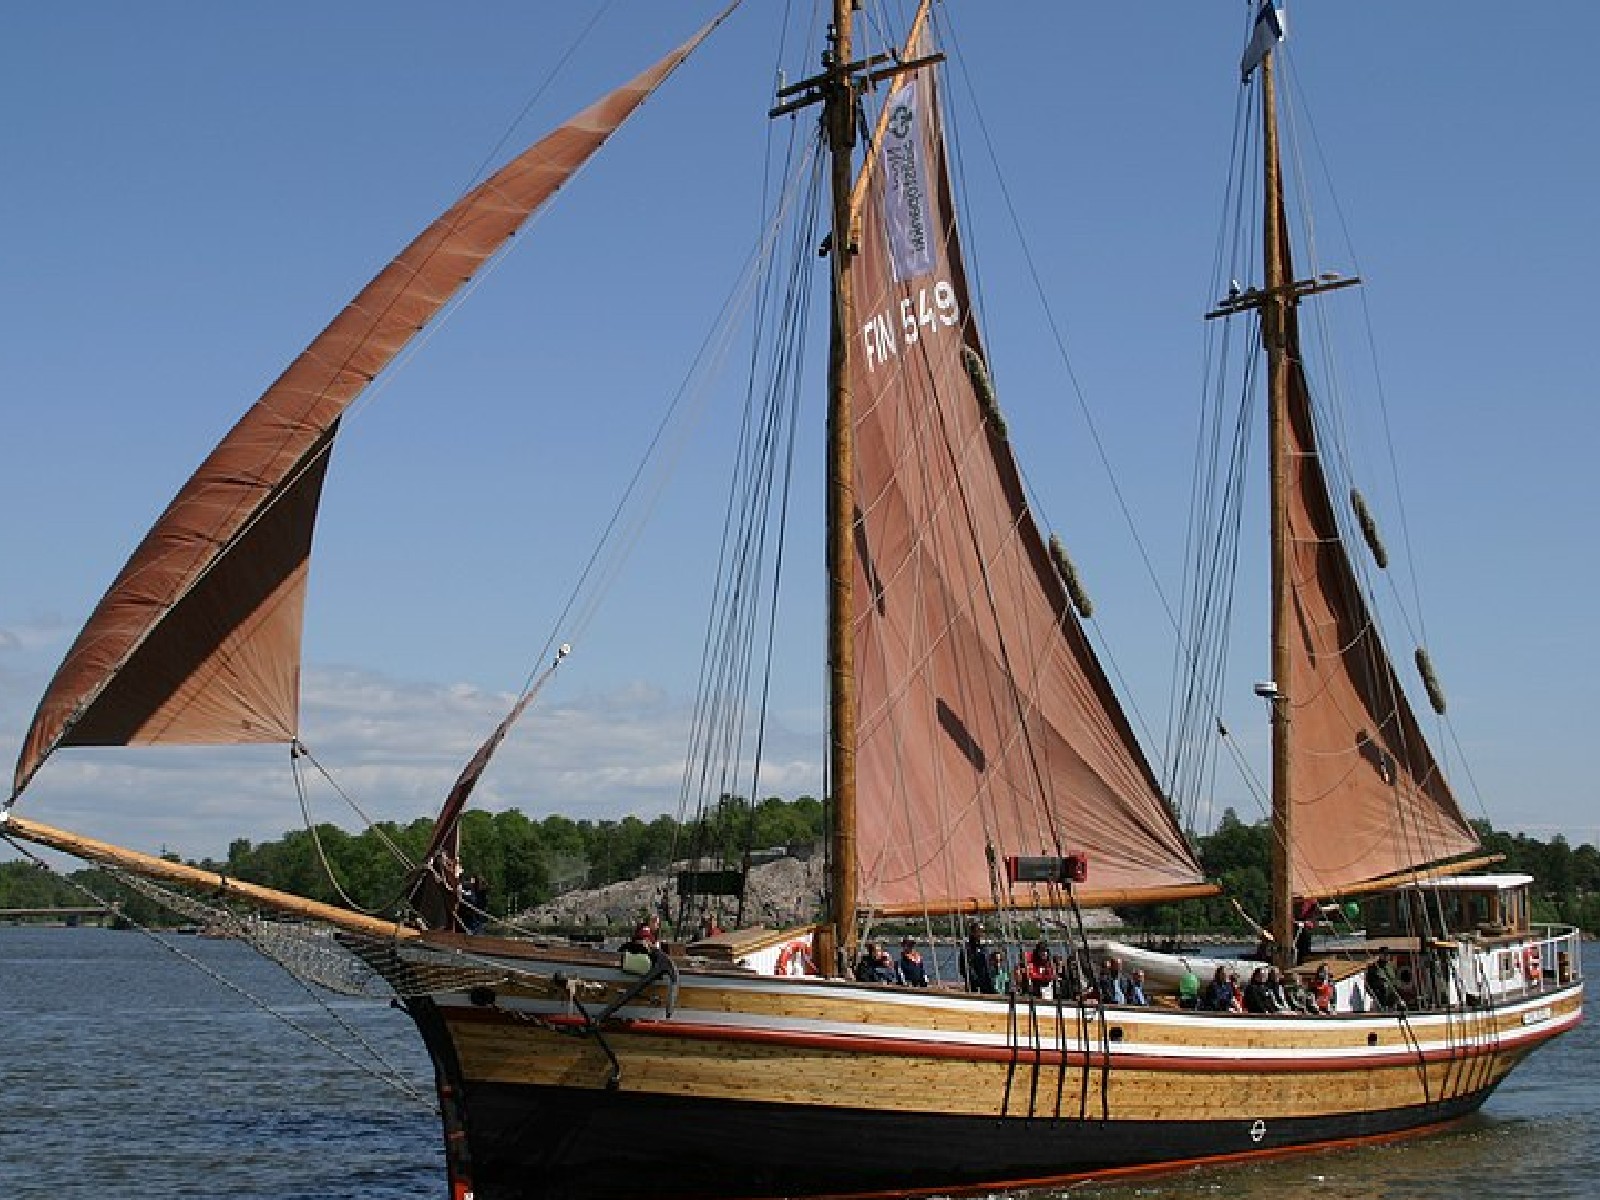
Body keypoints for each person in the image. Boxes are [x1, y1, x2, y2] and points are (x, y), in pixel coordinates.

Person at [960, 921, 996, 994]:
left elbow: (988, 965)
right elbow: (965, 969)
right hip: (975, 988)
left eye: (983, 931)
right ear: (973, 932)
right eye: (979, 931)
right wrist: (977, 982)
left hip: (988, 985)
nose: (982, 933)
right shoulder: (967, 950)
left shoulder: (984, 948)